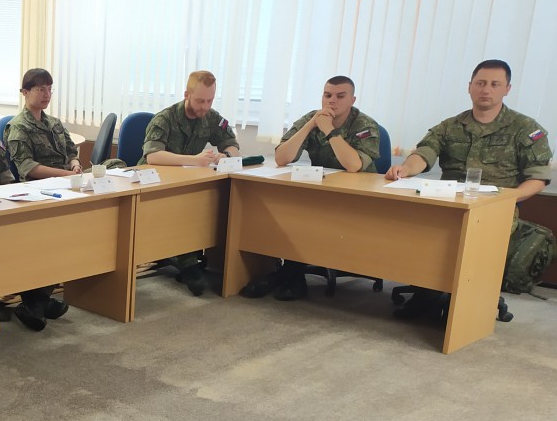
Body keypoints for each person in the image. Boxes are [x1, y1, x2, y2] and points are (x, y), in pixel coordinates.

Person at [385, 59, 553, 317]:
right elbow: (425, 152)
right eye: (480, 83)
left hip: (495, 209)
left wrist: (510, 197)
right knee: (418, 229)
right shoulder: (450, 126)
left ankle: (465, 306)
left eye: (495, 84)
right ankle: (426, 294)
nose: (486, 89)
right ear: (470, 87)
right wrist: (406, 168)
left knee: (473, 244)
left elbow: (538, 177)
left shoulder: (525, 129)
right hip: (449, 204)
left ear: (507, 89)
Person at [242, 76, 382, 300]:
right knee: (283, 210)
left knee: (305, 216)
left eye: (340, 96)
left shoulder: (364, 125)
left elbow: (354, 165)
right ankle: (287, 274)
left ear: (352, 100)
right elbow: (281, 158)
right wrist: (311, 125)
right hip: (323, 192)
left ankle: (290, 276)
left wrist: (329, 130)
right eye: (327, 95)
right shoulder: (313, 118)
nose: (332, 101)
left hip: (358, 198)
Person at [140, 70, 241, 296]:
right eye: (200, 101)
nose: (205, 106)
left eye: (210, 101)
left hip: (186, 181)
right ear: (187, 94)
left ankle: (193, 256)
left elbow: (232, 144)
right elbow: (153, 156)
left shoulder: (211, 118)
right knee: (182, 209)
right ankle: (188, 263)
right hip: (153, 181)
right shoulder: (165, 119)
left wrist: (226, 155)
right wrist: (194, 160)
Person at [5, 68, 80, 331]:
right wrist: (65, 174)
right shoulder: (18, 126)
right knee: (50, 240)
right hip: (37, 193)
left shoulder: (54, 123)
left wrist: (74, 164)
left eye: (49, 89)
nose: (46, 94)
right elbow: (27, 168)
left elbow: (71, 150)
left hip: (65, 188)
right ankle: (37, 302)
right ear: (25, 93)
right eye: (40, 89)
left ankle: (39, 301)